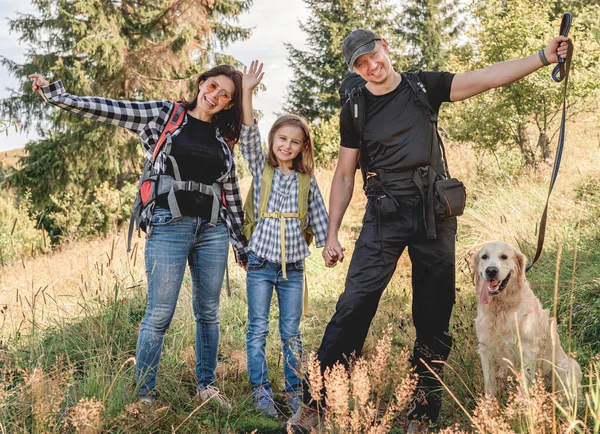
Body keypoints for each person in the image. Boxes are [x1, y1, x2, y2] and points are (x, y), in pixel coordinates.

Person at [286, 29, 571, 433]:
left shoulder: (424, 85)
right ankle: (316, 404)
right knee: (353, 306)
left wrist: (542, 57)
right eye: (360, 65)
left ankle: (421, 413)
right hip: (383, 213)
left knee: (433, 315)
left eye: (373, 56)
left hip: (433, 213)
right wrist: (332, 233)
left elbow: (486, 76)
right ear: (355, 70)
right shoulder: (354, 107)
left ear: (384, 45)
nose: (371, 66)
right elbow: (345, 175)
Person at [29, 64, 249, 407]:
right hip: (169, 223)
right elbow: (107, 108)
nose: (215, 96)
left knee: (208, 312)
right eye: (213, 86)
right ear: (201, 82)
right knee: (159, 313)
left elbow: (231, 191)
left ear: (229, 104)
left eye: (226, 95)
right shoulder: (164, 115)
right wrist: (56, 94)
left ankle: (206, 386)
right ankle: (145, 394)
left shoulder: (224, 138)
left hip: (212, 229)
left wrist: (241, 243)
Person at [239, 61, 329, 417]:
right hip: (260, 262)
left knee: (291, 333)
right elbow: (248, 133)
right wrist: (247, 91)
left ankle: (293, 391)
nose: (286, 146)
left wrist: (330, 244)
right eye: (281, 139)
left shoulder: (307, 180)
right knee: (258, 329)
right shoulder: (263, 169)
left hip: (293, 267)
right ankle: (261, 389)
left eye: (294, 141)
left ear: (303, 146)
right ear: (273, 140)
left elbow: (319, 217)